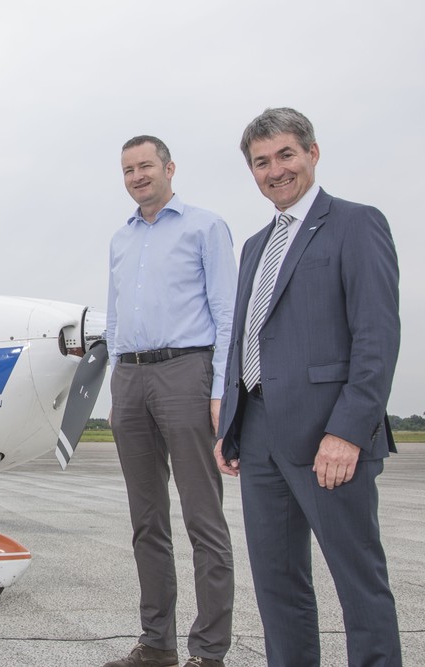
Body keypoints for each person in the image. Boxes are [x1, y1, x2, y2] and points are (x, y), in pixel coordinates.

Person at [216, 108, 402, 665]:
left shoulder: (356, 223)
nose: (275, 170)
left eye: (286, 155)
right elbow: (245, 336)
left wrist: (347, 431)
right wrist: (232, 426)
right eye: (261, 162)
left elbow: (377, 336)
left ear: (312, 154)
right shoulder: (254, 245)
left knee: (358, 582)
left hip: (329, 438)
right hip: (261, 435)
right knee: (278, 587)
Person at [103, 136, 236, 667]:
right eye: (129, 169)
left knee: (204, 520)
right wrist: (116, 382)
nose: (137, 176)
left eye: (146, 166)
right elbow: (115, 317)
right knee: (146, 520)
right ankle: (156, 644)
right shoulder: (120, 238)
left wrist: (222, 390)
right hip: (131, 377)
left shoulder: (205, 227)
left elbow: (226, 314)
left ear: (169, 168)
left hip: (187, 372)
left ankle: (209, 651)